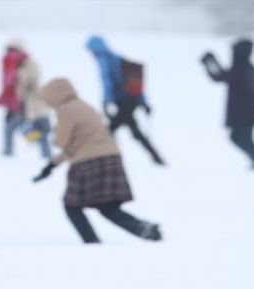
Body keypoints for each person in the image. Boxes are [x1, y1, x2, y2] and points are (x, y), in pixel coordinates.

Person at [33, 78, 162, 243]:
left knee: (71, 205)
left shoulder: (65, 110)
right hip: (111, 158)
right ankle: (143, 228)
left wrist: (48, 133)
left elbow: (62, 141)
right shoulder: (85, 106)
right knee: (107, 207)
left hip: (88, 163)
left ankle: (92, 242)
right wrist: (51, 165)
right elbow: (78, 143)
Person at [85, 36, 165, 166]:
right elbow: (135, 81)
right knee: (130, 131)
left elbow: (107, 82)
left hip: (122, 102)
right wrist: (143, 102)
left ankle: (104, 160)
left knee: (109, 132)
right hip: (131, 101)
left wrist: (107, 101)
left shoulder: (104, 60)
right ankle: (156, 158)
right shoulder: (118, 58)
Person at [201, 38, 254, 169]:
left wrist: (210, 63)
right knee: (236, 138)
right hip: (242, 111)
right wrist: (210, 63)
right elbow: (223, 75)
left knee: (244, 138)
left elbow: (222, 76)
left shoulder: (244, 69)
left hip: (246, 112)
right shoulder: (242, 68)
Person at [0, 39, 52, 159]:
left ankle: (46, 157)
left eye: (13, 50)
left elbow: (31, 81)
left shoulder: (29, 63)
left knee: (39, 132)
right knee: (9, 129)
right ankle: (7, 155)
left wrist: (17, 74)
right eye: (8, 50)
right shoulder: (9, 65)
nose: (10, 54)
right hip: (17, 106)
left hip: (33, 105)